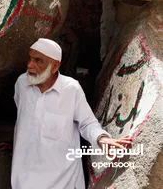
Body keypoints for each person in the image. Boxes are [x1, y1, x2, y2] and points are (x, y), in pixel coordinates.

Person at [11, 38, 131, 189]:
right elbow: (22, 117)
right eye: (30, 58)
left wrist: (102, 139)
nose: (29, 65)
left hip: (62, 182)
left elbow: (87, 123)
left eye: (38, 60)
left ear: (55, 66)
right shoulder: (22, 83)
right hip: (23, 180)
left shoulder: (71, 89)